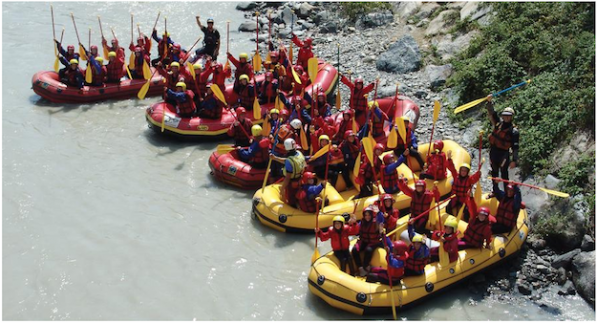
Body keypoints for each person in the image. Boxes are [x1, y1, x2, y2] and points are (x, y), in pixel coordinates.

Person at [486, 95, 519, 191]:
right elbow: (492, 112)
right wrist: (489, 102)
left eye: (508, 116)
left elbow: (515, 147)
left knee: (504, 173)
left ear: (511, 117)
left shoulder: (514, 131)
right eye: (505, 115)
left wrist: (514, 160)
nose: (506, 118)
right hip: (493, 151)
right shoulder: (498, 124)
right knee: (494, 172)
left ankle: (506, 193)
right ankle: (495, 191)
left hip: (503, 154)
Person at [445, 151, 482, 220]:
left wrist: (478, 174)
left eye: (465, 171)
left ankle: (465, 222)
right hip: (455, 197)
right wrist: (449, 159)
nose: (463, 172)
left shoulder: (469, 179)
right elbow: (451, 168)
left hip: (464, 198)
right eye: (462, 170)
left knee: (467, 211)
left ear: (467, 172)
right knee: (448, 207)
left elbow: (475, 178)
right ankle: (450, 219)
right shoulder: (456, 176)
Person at [270, 138, 305, 206]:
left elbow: (287, 177)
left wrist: (282, 188)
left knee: (291, 200)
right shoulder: (299, 153)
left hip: (291, 183)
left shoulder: (290, 160)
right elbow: (288, 161)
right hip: (300, 179)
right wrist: (275, 158)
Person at [351, 206, 383, 276]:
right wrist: (353, 224)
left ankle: (366, 266)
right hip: (364, 240)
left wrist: (379, 213)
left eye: (369, 215)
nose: (367, 217)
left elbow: (381, 221)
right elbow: (356, 232)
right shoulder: (362, 222)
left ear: (372, 215)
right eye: (366, 215)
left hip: (373, 241)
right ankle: (361, 268)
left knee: (368, 250)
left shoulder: (376, 223)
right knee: (354, 250)